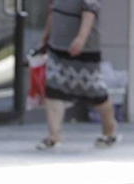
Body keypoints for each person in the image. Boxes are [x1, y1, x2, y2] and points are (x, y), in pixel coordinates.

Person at [36, 0, 120, 150]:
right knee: (53, 90)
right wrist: (45, 36)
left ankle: (109, 131)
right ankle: (53, 136)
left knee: (95, 92)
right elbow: (53, 13)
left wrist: (81, 38)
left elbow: (90, 12)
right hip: (57, 47)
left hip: (84, 49)